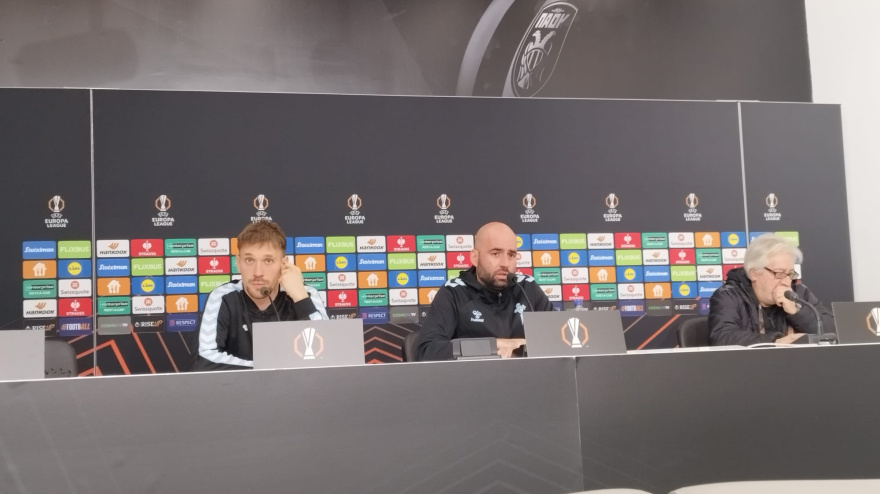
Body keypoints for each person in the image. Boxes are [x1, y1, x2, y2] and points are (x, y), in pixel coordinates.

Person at [190, 221, 327, 371]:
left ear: (283, 264)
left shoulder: (305, 294)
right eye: (249, 260)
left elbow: (328, 353)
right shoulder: (222, 297)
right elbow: (206, 359)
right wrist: (265, 369)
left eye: (268, 260)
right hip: (239, 392)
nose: (257, 272)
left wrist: (300, 297)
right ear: (238, 262)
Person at [416, 221, 553, 361]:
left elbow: (560, 342)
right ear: (475, 258)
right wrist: (495, 346)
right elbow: (428, 351)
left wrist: (519, 348)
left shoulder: (527, 288)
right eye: (495, 253)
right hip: (474, 379)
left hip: (526, 379)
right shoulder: (454, 292)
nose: (505, 263)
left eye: (511, 255)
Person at [708, 233, 834, 346]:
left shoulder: (799, 293)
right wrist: (775, 341)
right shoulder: (728, 296)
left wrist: (796, 312)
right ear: (754, 274)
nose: (786, 281)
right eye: (779, 273)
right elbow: (722, 338)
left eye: (790, 273)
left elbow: (834, 332)